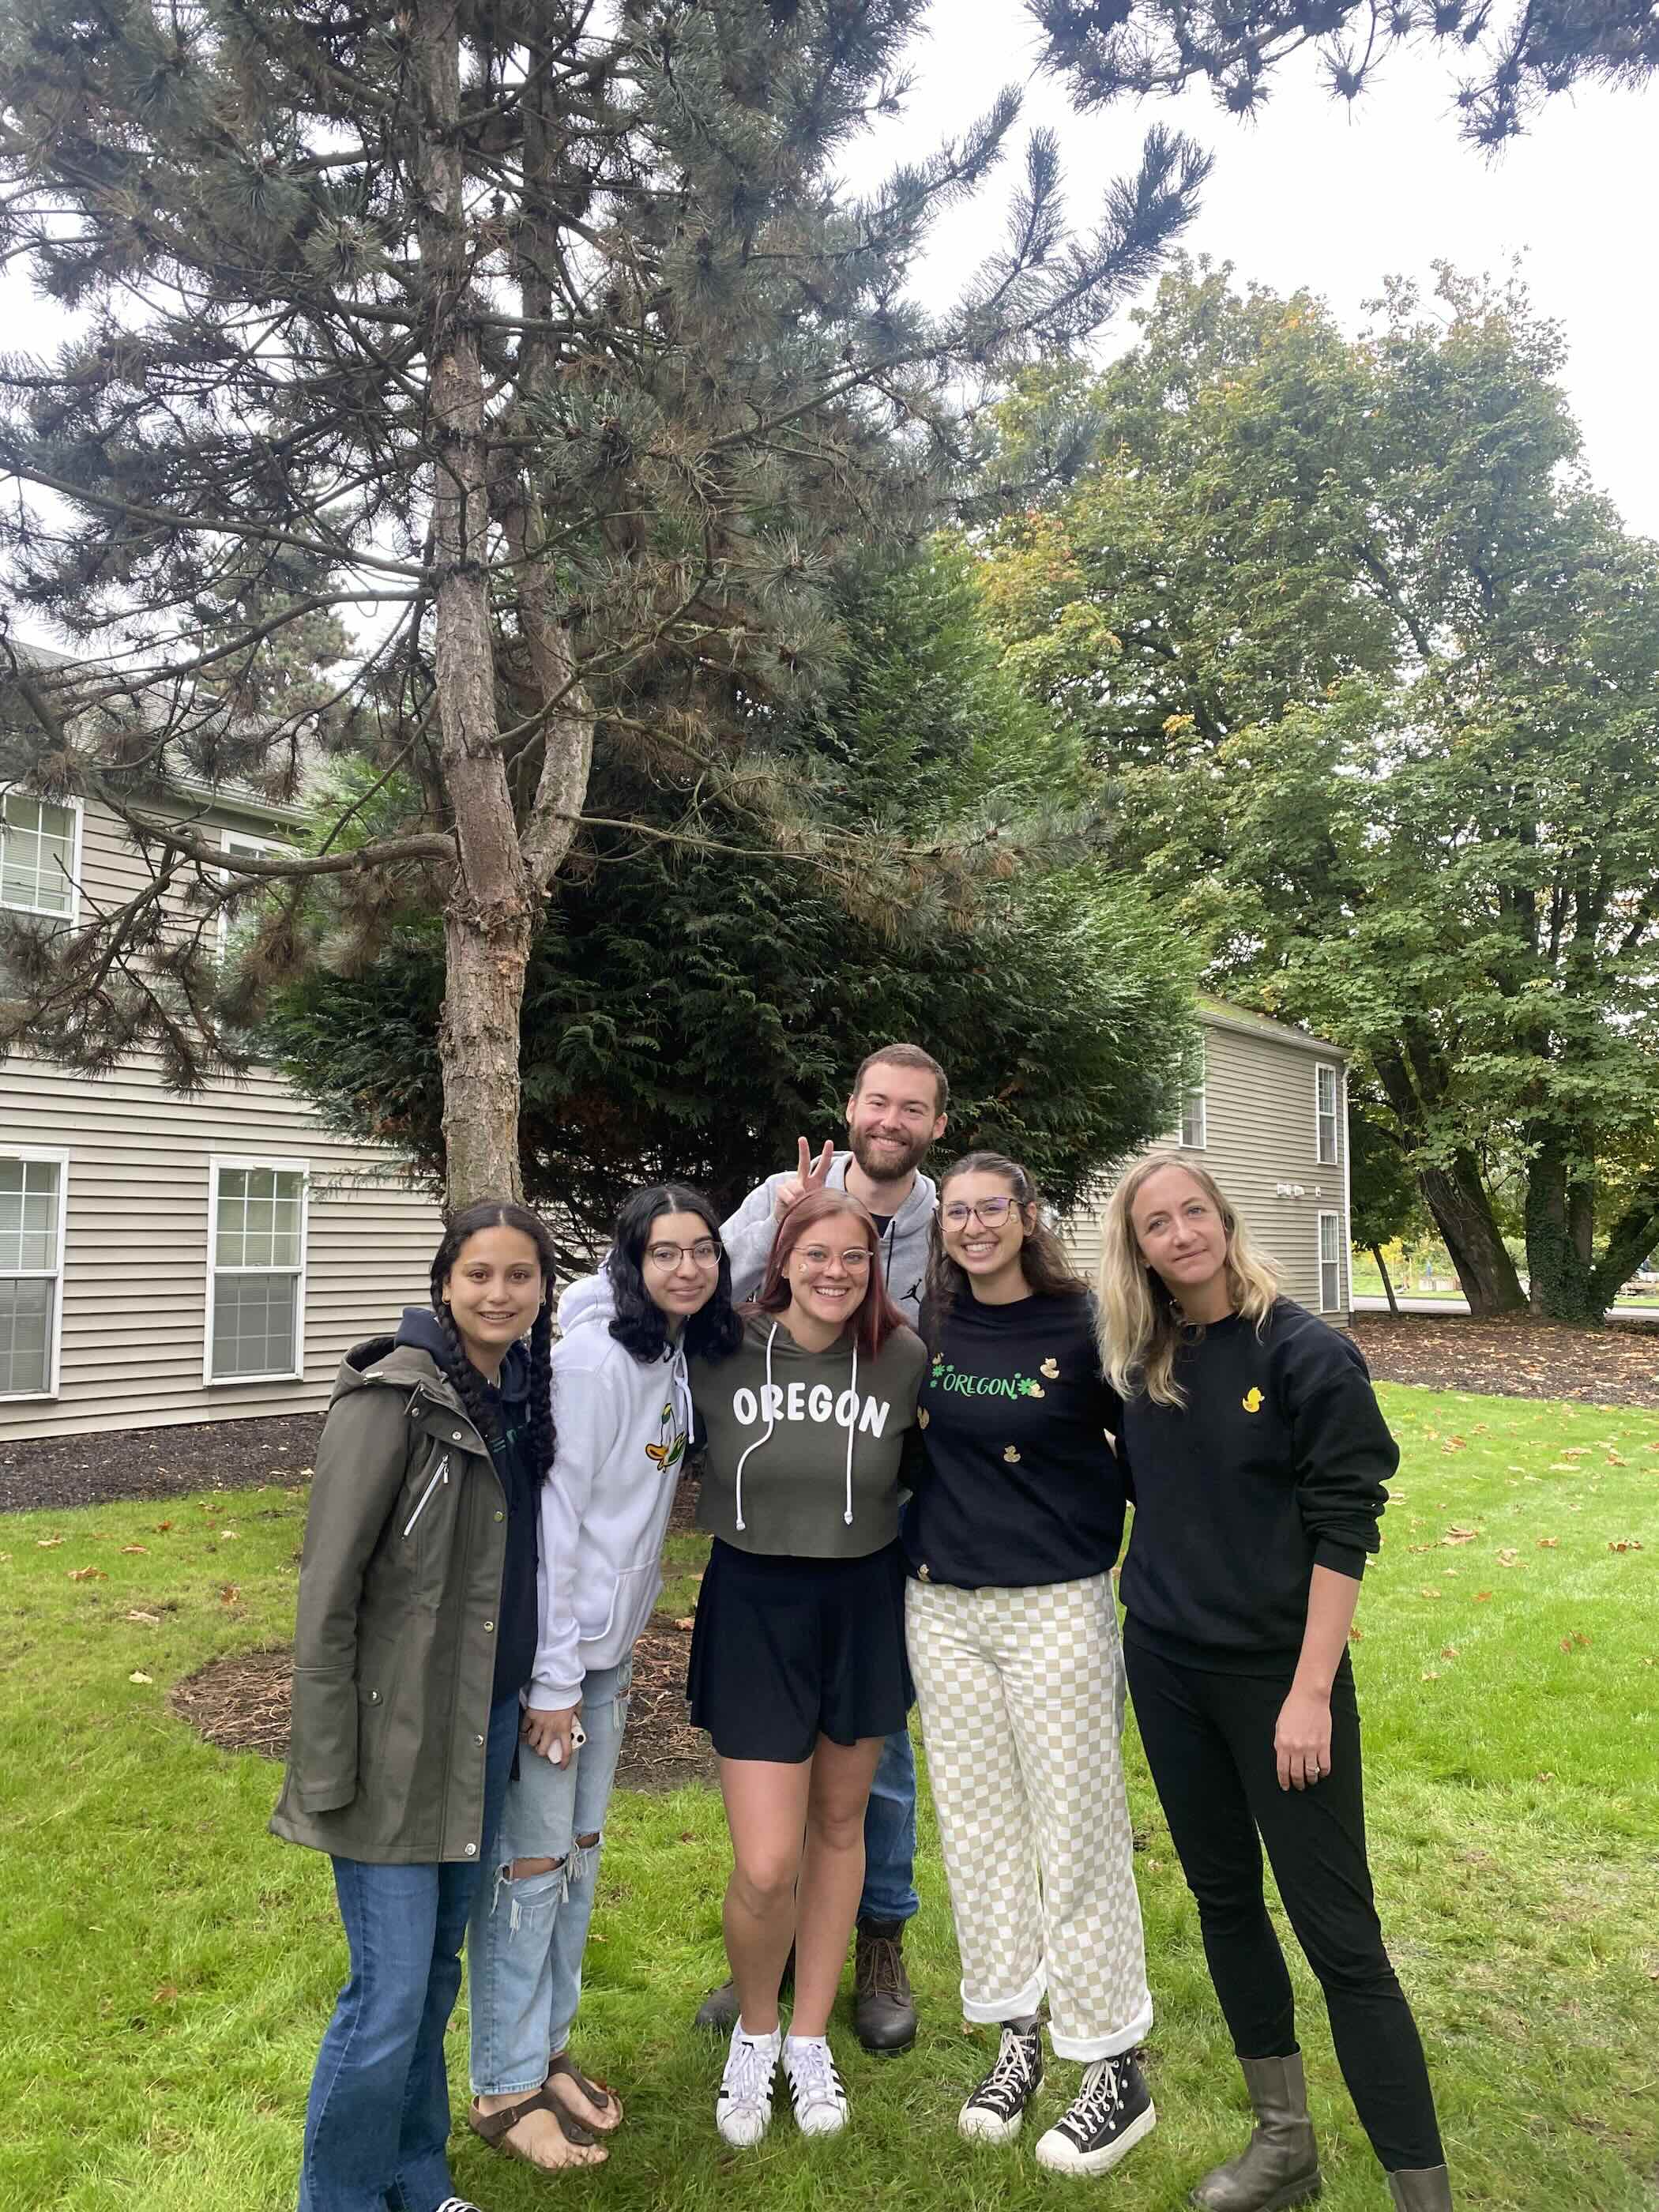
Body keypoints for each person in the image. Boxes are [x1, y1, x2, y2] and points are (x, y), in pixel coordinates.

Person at [1098, 1152, 1451, 2212]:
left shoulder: (1305, 1352)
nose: (1179, 1235)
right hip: (1165, 1667)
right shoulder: (1143, 1362)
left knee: (1342, 1939)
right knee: (1223, 1900)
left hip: (1278, 1684)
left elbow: (1347, 1525)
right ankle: (1284, 2146)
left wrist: (1310, 1692)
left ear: (1224, 1219)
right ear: (1141, 1248)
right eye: (1156, 1224)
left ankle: (1421, 2194)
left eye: (1192, 1212)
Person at [272, 1200, 559, 2212]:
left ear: (539, 1288)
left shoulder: (520, 1391)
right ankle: (339, 2197)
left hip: (471, 1737)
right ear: (445, 1282)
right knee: (387, 1993)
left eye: (519, 1275)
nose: (499, 1293)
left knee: (435, 1977)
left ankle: (416, 2175)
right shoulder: (391, 1399)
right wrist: (324, 1761)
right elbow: (328, 1593)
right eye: (479, 1274)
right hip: (387, 1747)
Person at [464, 1184, 743, 2174]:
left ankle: (547, 2049)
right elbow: (555, 1518)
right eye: (663, 1252)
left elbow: (745, 1245)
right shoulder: (590, 1360)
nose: (687, 1266)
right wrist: (550, 1682)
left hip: (605, 1656)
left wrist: (802, 1191)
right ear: (631, 1262)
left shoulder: (670, 1349)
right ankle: (503, 2085)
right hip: (558, 1661)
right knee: (532, 1868)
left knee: (576, 1854)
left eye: (700, 1251)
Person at [903, 1152, 1156, 2178]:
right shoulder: (929, 1325)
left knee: (1077, 1826)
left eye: (989, 1209)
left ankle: (1114, 2066)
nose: (973, 1226)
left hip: (1056, 1601)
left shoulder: (1084, 1322)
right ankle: (1018, 2040)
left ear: (1026, 1215)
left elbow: (1147, 1452)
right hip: (944, 1607)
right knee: (980, 1831)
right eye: (956, 1212)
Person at [697, 1040, 948, 2051]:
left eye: (913, 1109)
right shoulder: (778, 1207)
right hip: (761, 1578)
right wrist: (779, 1216)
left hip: (873, 1550)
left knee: (870, 1781)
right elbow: (682, 1290)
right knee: (770, 1823)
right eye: (877, 1102)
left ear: (936, 1122)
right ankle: (779, 1957)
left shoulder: (950, 1219)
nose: (891, 1120)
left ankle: (872, 1942)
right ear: (852, 1107)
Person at [687, 1188, 927, 2146]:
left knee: (839, 1826)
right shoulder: (721, 1347)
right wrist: (754, 1214)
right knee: (765, 1858)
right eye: (817, 1255)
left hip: (860, 1602)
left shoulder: (901, 1359)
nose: (837, 1273)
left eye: (856, 1258)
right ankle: (754, 2032)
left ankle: (811, 2038)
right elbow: (607, 1305)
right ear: (782, 1260)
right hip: (754, 1604)